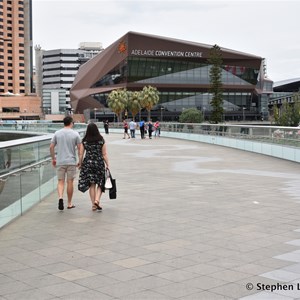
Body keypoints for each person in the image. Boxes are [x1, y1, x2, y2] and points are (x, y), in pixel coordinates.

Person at [49, 116, 81, 210]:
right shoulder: (75, 134)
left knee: (60, 181)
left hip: (60, 161)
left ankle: (60, 198)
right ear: (71, 123)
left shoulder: (57, 133)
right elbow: (80, 149)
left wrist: (53, 158)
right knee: (70, 182)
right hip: (71, 161)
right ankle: (69, 203)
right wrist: (80, 160)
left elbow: (51, 147)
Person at [78, 123, 109, 211]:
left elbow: (81, 154)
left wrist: (80, 163)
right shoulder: (101, 140)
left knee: (92, 184)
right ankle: (97, 200)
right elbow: (104, 154)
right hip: (99, 163)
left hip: (88, 163)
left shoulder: (85, 140)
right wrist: (107, 164)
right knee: (100, 183)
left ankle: (93, 205)